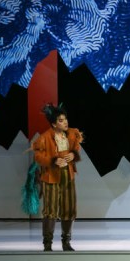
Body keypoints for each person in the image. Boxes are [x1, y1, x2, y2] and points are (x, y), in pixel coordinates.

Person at [32, 103, 83, 252]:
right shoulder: (45, 137)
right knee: (50, 209)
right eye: (61, 120)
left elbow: (77, 146)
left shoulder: (71, 134)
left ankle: (66, 242)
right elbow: (38, 157)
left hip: (68, 175)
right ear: (54, 124)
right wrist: (53, 161)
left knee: (69, 207)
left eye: (65, 119)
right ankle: (47, 243)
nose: (65, 122)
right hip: (51, 177)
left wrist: (73, 154)